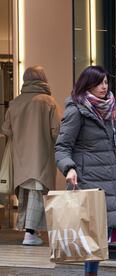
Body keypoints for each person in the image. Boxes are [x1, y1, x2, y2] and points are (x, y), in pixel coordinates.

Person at [55, 65, 116, 276]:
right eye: (99, 83)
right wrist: (68, 168)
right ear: (87, 84)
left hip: (109, 179)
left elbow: (115, 146)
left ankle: (91, 272)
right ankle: (91, 273)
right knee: (94, 234)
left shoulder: (109, 108)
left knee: (101, 234)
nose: (104, 87)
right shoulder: (76, 110)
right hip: (88, 181)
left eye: (106, 82)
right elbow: (62, 147)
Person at [1, 65, 62, 245]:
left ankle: (30, 231)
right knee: (37, 191)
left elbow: (6, 129)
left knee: (27, 193)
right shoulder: (49, 102)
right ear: (43, 78)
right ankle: (29, 233)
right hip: (41, 155)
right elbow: (57, 131)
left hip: (20, 157)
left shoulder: (15, 103)